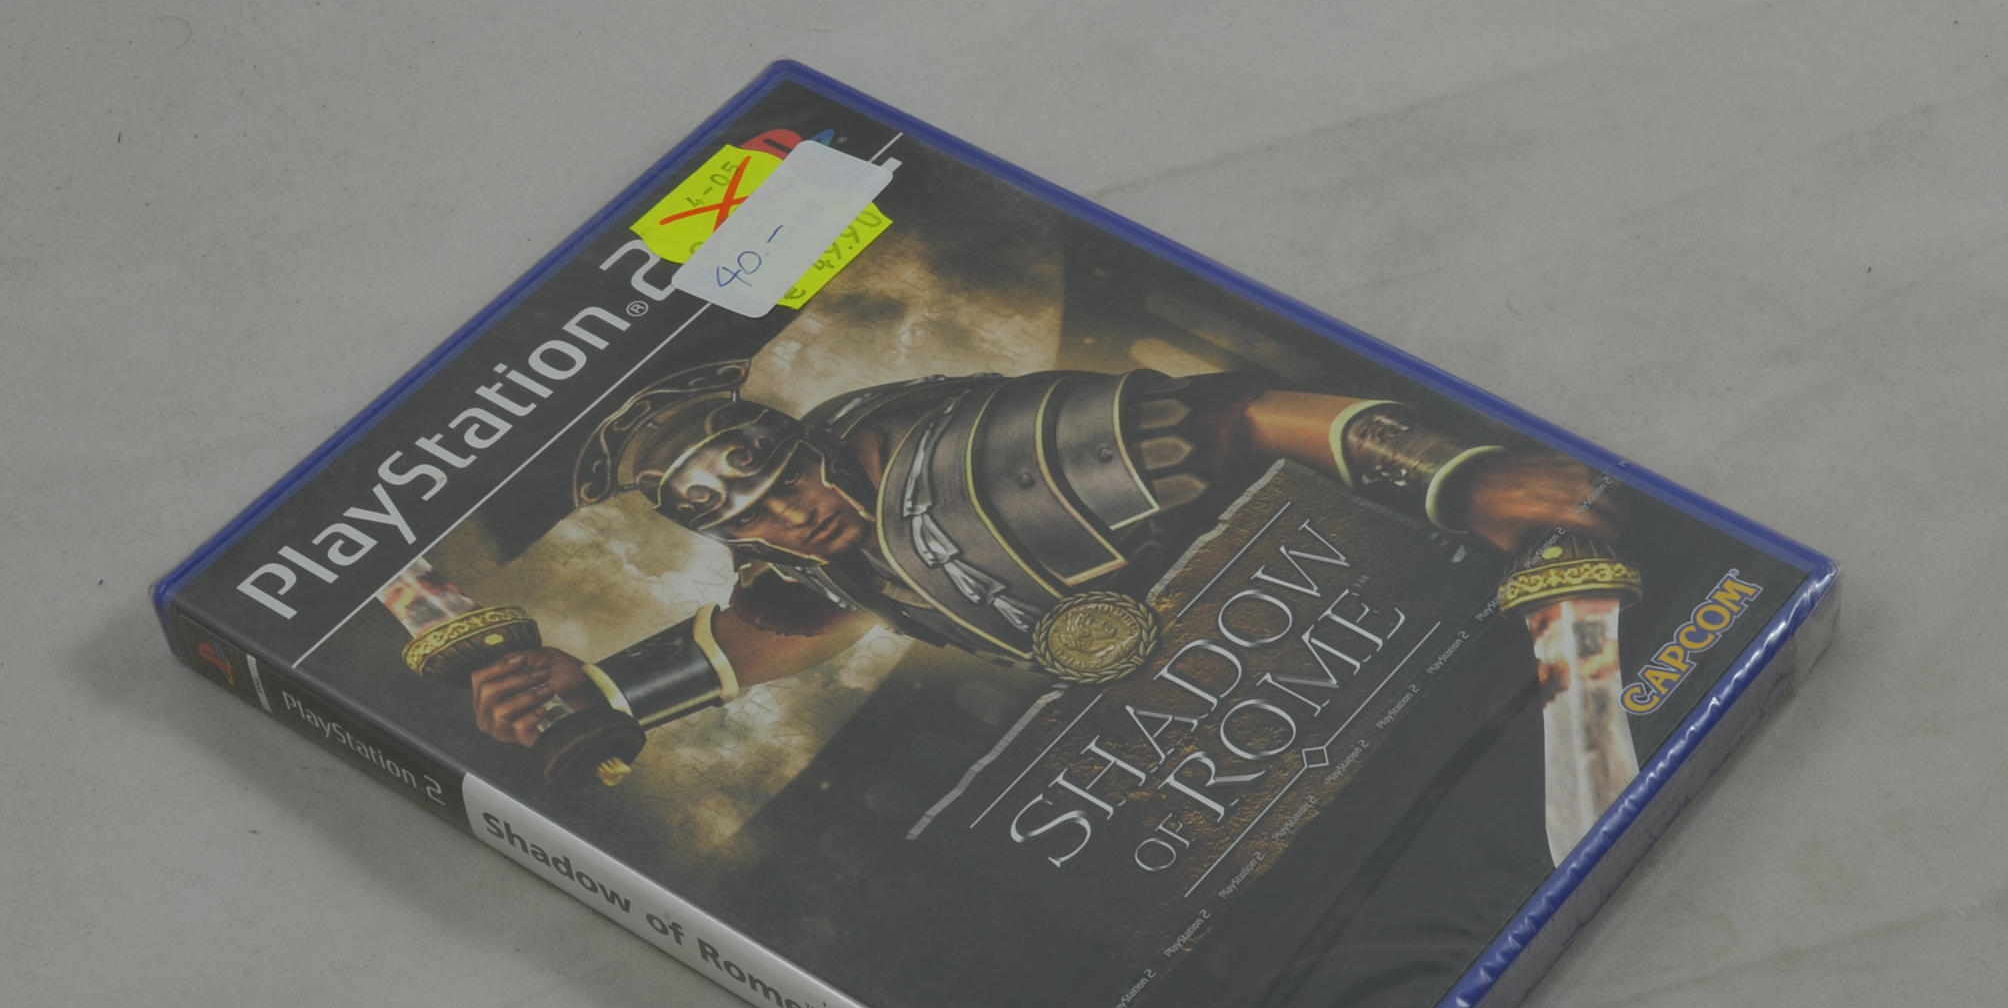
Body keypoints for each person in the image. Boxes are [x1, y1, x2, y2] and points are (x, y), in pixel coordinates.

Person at [470, 360, 1616, 750]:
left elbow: (1250, 414)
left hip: (1387, 606)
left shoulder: (976, 452)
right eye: (751, 519)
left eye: (788, 483)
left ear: (811, 446)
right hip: (1233, 716)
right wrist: (604, 692)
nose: (792, 518)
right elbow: (779, 631)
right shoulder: (815, 561)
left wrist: (1460, 479)